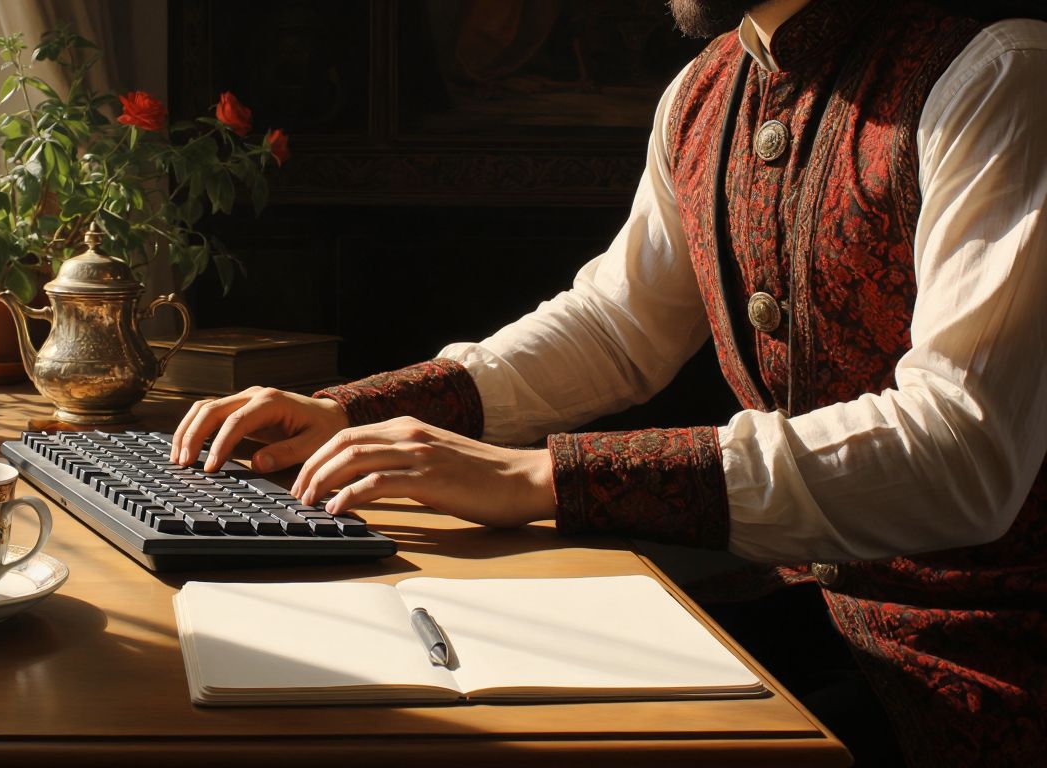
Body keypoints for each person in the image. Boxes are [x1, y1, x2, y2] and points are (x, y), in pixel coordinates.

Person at [171, 0, 1047, 765]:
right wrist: (352, 409)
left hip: (981, 656)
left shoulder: (999, 76)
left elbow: (961, 449)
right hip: (798, 613)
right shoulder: (705, 91)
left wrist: (543, 478)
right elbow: (616, 325)